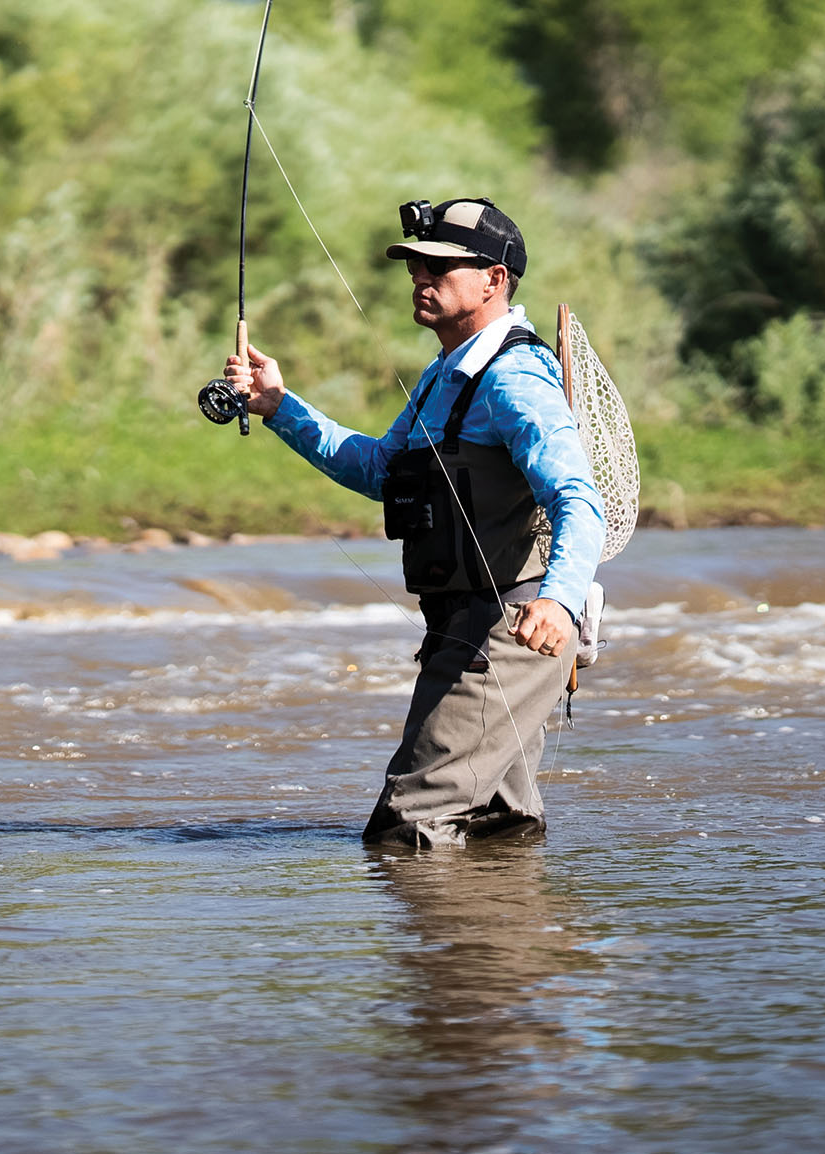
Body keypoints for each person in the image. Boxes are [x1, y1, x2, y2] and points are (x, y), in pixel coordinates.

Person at [225, 197, 605, 848]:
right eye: (415, 267)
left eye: (440, 267)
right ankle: (514, 945)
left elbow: (579, 498)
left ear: (494, 279)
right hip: (465, 627)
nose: (421, 279)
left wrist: (561, 602)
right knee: (496, 825)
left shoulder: (513, 379)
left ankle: (440, 953)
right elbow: (379, 467)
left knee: (408, 827)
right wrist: (279, 407)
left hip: (511, 631)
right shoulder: (444, 376)